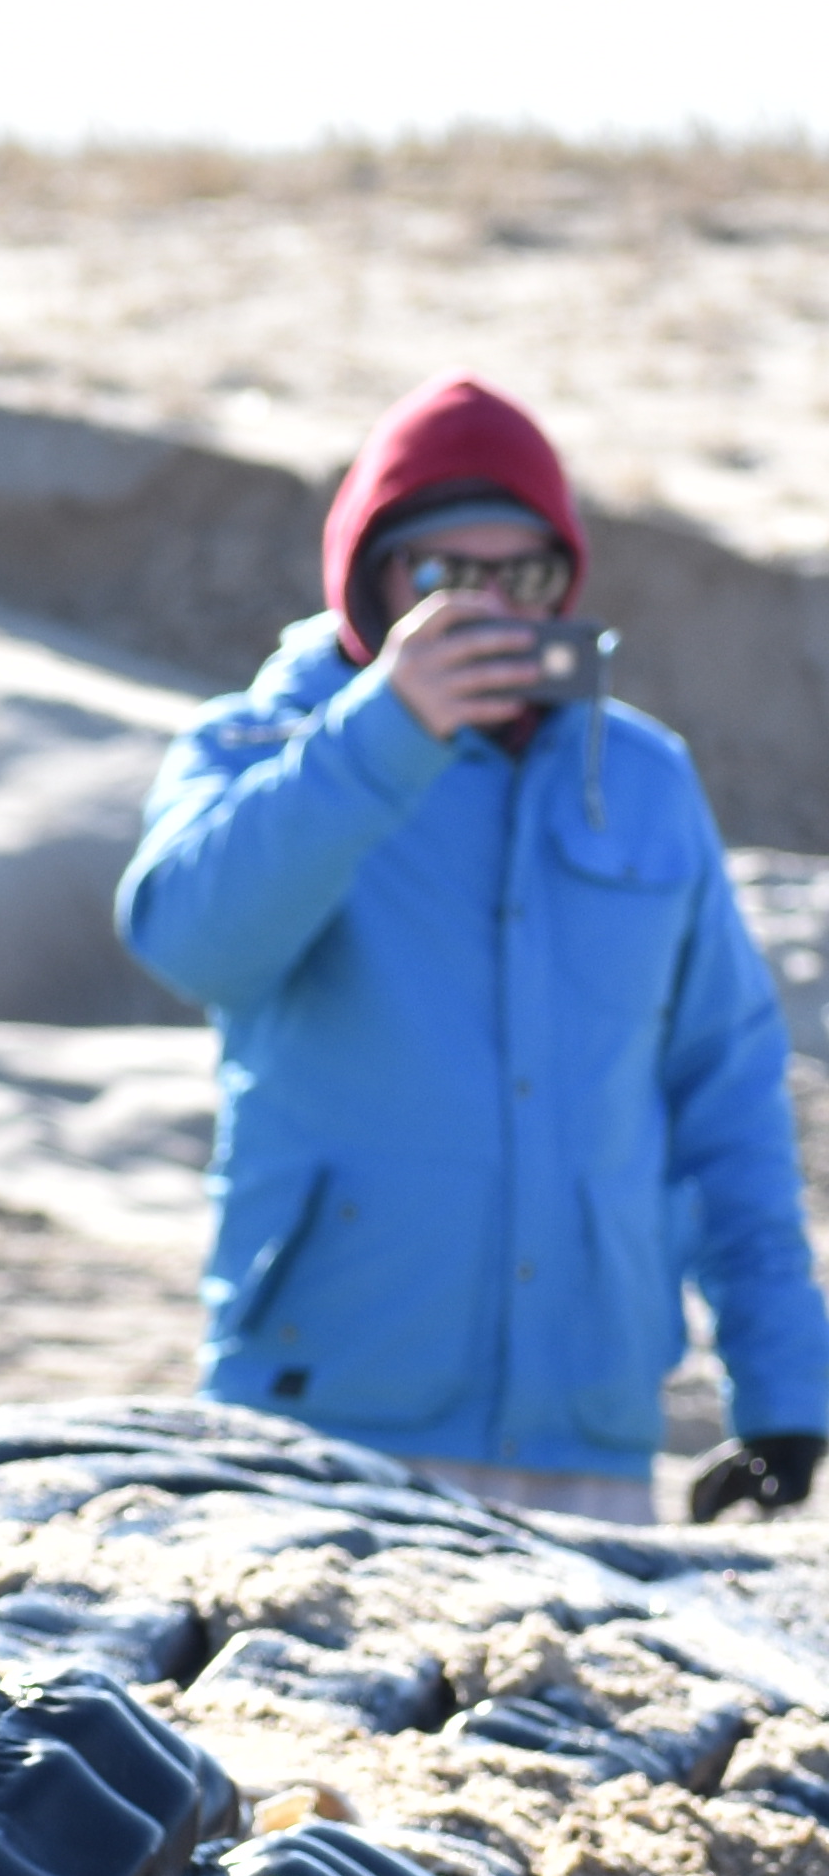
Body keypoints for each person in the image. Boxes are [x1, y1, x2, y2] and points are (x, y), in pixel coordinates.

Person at [118, 376, 818, 1525]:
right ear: (369, 579)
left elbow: (725, 1093)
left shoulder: (642, 778)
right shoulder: (260, 743)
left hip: (587, 1433)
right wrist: (387, 733)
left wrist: (782, 1380)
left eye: (523, 577)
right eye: (445, 577)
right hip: (325, 1421)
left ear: (566, 584)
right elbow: (193, 944)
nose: (490, 611)